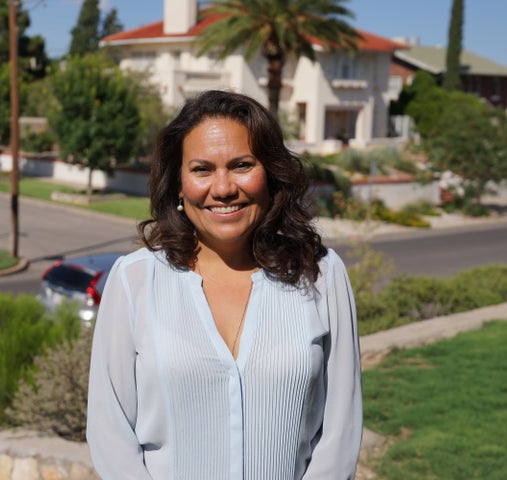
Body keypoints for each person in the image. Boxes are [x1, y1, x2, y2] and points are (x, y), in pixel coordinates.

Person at [87, 90, 362, 479]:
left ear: (270, 173)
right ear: (179, 185)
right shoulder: (133, 281)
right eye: (201, 169)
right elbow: (109, 429)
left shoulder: (322, 275)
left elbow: (341, 430)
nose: (223, 188)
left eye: (241, 165)